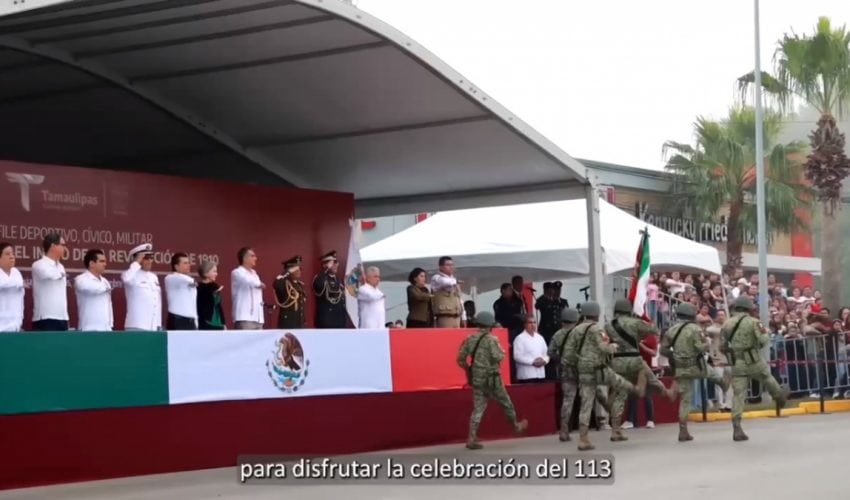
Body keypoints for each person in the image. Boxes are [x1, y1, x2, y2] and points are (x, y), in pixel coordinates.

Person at [563, 301, 640, 451]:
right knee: (621, 383)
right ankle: (634, 391)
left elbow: (567, 354)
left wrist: (579, 362)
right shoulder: (597, 330)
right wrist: (614, 347)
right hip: (598, 369)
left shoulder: (575, 330)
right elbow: (604, 347)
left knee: (586, 404)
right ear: (596, 314)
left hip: (583, 371)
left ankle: (583, 439)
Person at [456, 311, 528, 449]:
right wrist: (504, 350)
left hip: (477, 379)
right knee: (506, 403)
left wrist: (468, 369)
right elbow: (498, 357)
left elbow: (460, 359)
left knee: (478, 408)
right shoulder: (492, 340)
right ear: (490, 325)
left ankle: (471, 437)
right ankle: (515, 426)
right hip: (493, 379)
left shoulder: (470, 339)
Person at [605, 298, 677, 438]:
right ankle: (667, 393)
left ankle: (615, 430)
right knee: (653, 381)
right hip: (635, 360)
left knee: (620, 395)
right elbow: (654, 329)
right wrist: (640, 333)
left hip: (618, 361)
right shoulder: (635, 322)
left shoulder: (609, 326)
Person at [721, 296, 789, 441]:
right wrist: (756, 347)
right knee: (767, 378)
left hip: (738, 362)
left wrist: (734, 353)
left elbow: (722, 346)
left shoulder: (727, 324)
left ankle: (737, 426)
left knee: (739, 394)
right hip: (754, 360)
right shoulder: (754, 322)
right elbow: (764, 340)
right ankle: (779, 397)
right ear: (748, 308)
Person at [661, 303, 731, 442]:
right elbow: (701, 348)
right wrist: (708, 343)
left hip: (681, 368)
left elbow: (663, 350)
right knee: (710, 373)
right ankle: (723, 383)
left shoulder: (671, 330)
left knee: (685, 399)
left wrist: (675, 357)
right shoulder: (695, 329)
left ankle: (683, 430)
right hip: (696, 365)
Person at [548, 308, 610, 442]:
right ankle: (608, 420)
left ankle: (564, 431)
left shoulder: (558, 334)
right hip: (584, 370)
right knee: (595, 395)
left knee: (568, 401)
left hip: (567, 372)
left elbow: (551, 352)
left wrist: (562, 361)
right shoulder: (581, 332)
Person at [31, 233, 69, 331]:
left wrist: (60, 273)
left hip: (62, 317)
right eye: (62, 245)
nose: (64, 248)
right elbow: (47, 274)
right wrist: (60, 274)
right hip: (45, 317)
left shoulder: (61, 267)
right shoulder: (39, 264)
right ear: (53, 246)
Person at [122, 243, 162, 331]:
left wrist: (158, 324)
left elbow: (156, 302)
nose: (150, 261)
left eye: (151, 258)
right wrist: (136, 262)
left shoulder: (153, 277)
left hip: (153, 326)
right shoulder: (131, 275)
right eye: (146, 258)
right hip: (137, 325)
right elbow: (126, 279)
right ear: (137, 259)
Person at [74, 249, 113, 331]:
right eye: (101, 261)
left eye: (105, 261)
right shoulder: (81, 279)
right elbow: (88, 288)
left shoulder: (105, 281)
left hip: (106, 329)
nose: (105, 264)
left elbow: (109, 304)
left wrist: (110, 324)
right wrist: (104, 289)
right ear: (92, 263)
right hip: (88, 328)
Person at [231, 246, 265, 330]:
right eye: (252, 256)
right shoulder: (237, 272)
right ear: (244, 258)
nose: (255, 258)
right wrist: (259, 284)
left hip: (258, 318)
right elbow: (247, 280)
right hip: (244, 317)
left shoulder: (254, 273)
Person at [312, 251, 347, 328]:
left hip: (339, 321)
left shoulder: (336, 279)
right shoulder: (319, 278)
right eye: (333, 263)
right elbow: (319, 285)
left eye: (336, 262)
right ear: (325, 264)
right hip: (326, 322)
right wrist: (327, 269)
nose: (336, 265)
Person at [165, 253, 198, 330]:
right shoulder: (171, 278)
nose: (188, 265)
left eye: (188, 263)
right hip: (177, 320)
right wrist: (192, 282)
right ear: (176, 266)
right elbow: (185, 280)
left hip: (190, 320)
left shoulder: (188, 280)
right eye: (185, 263)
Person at [512, 315, 549, 383]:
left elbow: (547, 354)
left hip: (540, 375)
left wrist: (544, 361)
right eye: (530, 323)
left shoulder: (540, 338)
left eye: (534, 323)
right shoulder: (519, 338)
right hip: (526, 375)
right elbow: (517, 356)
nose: (533, 325)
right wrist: (533, 362)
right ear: (525, 325)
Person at [430, 256, 465, 327]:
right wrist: (456, 281)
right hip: (444, 317)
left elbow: (460, 300)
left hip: (457, 316)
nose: (451, 267)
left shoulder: (454, 280)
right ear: (441, 267)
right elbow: (445, 282)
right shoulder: (436, 278)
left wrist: (464, 317)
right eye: (448, 265)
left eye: (452, 265)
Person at [273, 256, 306, 329]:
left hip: (299, 323)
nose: (299, 271)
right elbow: (276, 284)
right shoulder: (284, 283)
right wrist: (286, 272)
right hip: (288, 324)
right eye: (296, 269)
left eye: (300, 269)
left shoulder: (299, 285)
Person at [0, 242, 24, 332]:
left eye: (12, 253)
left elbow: (21, 299)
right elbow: (3, 283)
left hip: (15, 327)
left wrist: (20, 320)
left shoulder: (16, 273)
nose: (12, 256)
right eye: (7, 254)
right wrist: (18, 284)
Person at [196, 261, 225, 330]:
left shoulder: (215, 286)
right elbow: (200, 307)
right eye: (214, 271)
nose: (216, 274)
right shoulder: (199, 288)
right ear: (206, 273)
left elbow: (218, 306)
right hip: (205, 323)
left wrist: (223, 323)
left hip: (218, 323)